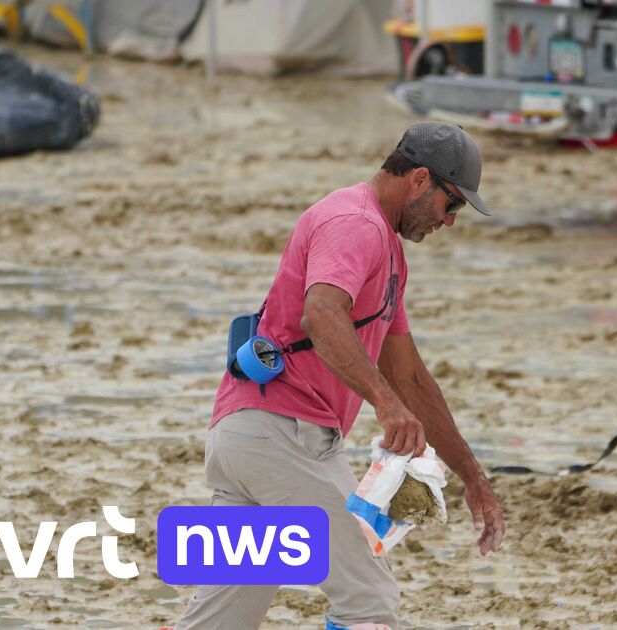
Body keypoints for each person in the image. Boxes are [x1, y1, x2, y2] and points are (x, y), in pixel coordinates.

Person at [173, 122, 505, 630]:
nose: (450, 221)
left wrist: (473, 477)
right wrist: (384, 403)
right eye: (452, 204)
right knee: (368, 601)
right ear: (419, 180)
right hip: (284, 435)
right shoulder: (356, 223)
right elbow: (321, 315)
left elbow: (410, 377)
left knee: (222, 618)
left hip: (245, 436)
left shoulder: (388, 251)